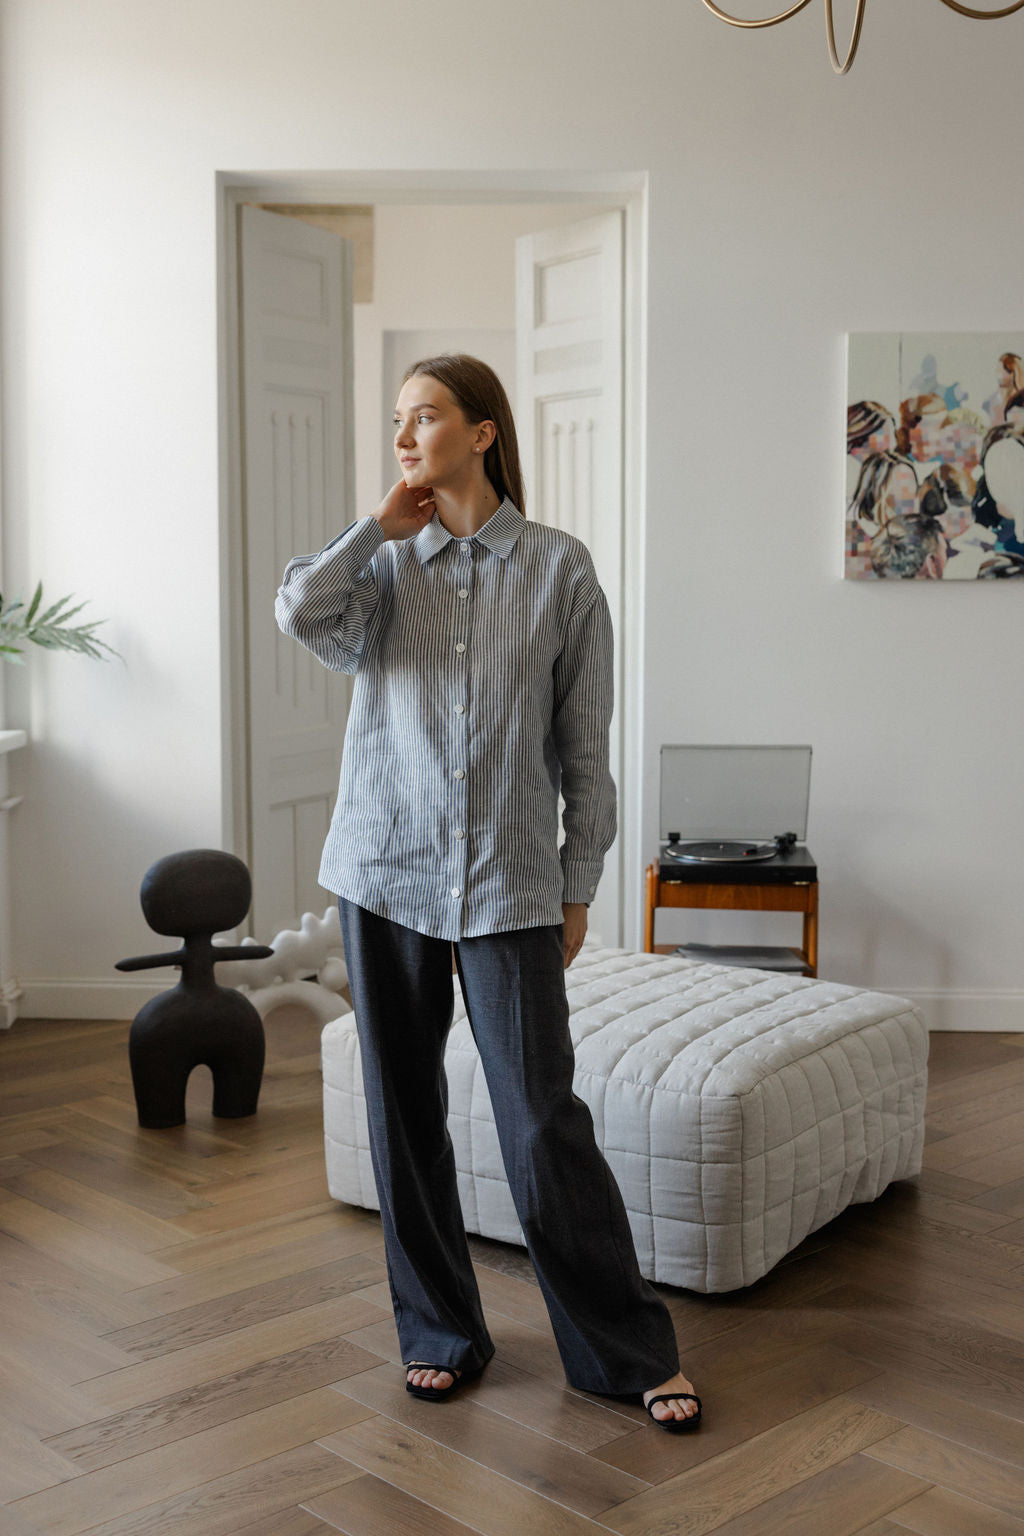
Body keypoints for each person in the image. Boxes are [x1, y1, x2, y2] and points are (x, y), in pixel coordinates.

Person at [275, 353, 701, 1432]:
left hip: (510, 882)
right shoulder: (378, 569)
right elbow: (297, 613)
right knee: (402, 1108)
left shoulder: (561, 571)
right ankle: (440, 1332)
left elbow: (583, 749)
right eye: (397, 422)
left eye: (426, 418)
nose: (407, 437)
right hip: (382, 874)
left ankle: (623, 1349)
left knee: (540, 1118)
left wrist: (576, 885)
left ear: (484, 433)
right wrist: (377, 524)